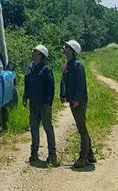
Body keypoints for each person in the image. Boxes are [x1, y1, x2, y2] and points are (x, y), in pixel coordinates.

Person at [60, 39, 95, 168]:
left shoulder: (77, 65)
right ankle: (90, 155)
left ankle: (83, 158)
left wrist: (76, 100)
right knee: (81, 127)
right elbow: (63, 81)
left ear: (73, 51)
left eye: (67, 47)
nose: (64, 49)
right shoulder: (67, 64)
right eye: (65, 47)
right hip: (72, 101)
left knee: (82, 129)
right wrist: (62, 95)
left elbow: (81, 85)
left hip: (78, 102)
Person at [22, 44, 56, 166]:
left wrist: (48, 103)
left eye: (34, 52)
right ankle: (34, 153)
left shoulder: (46, 70)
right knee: (34, 128)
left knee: (47, 128)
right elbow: (27, 83)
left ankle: (52, 155)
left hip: (44, 104)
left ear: (40, 55)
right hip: (33, 104)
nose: (32, 54)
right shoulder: (30, 67)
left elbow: (51, 88)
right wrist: (25, 97)